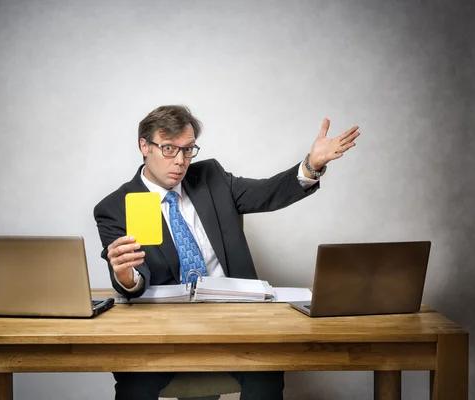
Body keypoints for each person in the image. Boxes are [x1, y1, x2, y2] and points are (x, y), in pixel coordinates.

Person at [93, 105, 360, 400]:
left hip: (233, 324)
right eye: (169, 149)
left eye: (188, 149)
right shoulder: (115, 208)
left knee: (269, 370)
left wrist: (311, 165)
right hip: (162, 333)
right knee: (134, 382)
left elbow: (267, 192)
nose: (180, 161)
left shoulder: (211, 178)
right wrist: (123, 274)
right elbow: (134, 281)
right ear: (145, 146)